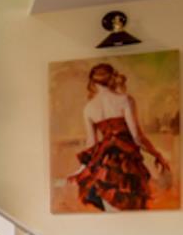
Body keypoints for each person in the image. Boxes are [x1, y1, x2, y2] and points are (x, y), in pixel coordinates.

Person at [69, 63, 169, 211]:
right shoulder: (125, 100)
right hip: (127, 162)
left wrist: (83, 167)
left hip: (105, 163)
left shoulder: (89, 108)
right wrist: (157, 154)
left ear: (92, 82)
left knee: (111, 204)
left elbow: (91, 143)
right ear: (112, 78)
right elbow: (137, 137)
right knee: (133, 206)